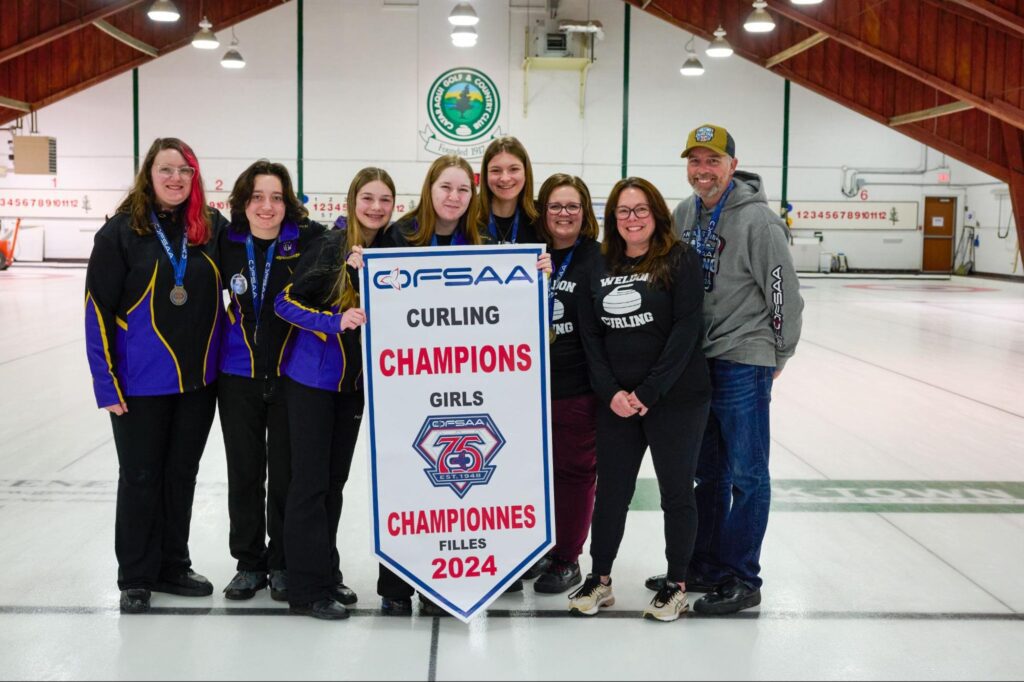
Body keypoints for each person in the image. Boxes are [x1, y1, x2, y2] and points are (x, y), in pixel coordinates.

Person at [645, 123, 804, 615]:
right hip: (699, 363)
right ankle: (705, 565)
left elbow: (783, 292)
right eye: (694, 161)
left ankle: (741, 576)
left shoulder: (758, 221)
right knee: (706, 474)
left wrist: (779, 353)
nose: (702, 170)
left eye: (712, 161)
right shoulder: (684, 214)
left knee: (747, 475)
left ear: (732, 166)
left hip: (743, 357)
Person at [84, 137, 229, 614]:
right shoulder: (120, 234)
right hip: (139, 386)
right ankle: (136, 576)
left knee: (180, 476)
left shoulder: (209, 229)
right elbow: (96, 312)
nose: (175, 179)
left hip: (198, 384)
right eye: (166, 170)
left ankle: (173, 564)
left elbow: (260, 248)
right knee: (141, 476)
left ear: (195, 178)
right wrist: (107, 385)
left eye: (185, 171)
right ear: (149, 174)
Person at [569, 177, 710, 622]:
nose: (632, 219)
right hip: (617, 403)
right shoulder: (600, 262)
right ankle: (601, 579)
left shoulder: (680, 258)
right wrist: (612, 392)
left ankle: (676, 584)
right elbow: (591, 335)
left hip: (676, 398)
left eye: (640, 210)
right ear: (613, 218)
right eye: (623, 211)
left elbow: (687, 329)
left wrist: (648, 392)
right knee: (611, 492)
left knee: (676, 493)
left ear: (656, 214)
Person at [271, 167, 397, 620]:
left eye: (385, 199)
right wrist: (333, 320)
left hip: (353, 388)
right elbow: (284, 301)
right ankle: (307, 588)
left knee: (333, 485)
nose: (376, 207)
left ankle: (326, 571)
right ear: (352, 199)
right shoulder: (331, 244)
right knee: (309, 484)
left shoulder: (389, 251)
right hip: (313, 382)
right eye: (368, 197)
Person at [216, 160, 326, 601]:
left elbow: (352, 244)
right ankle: (248, 562)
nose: (267, 206)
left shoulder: (309, 241)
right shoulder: (225, 242)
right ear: (244, 203)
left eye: (276, 197)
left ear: (288, 202)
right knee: (244, 471)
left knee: (284, 473)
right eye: (257, 197)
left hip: (288, 377)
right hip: (236, 375)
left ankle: (281, 560)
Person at [529, 173, 602, 595]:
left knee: (574, 472)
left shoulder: (597, 256)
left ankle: (567, 558)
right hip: (524, 385)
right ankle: (536, 547)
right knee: (531, 473)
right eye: (555, 206)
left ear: (585, 211)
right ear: (543, 211)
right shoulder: (525, 253)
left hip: (575, 385)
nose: (564, 213)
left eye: (572, 205)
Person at [475, 136, 542, 245]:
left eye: (514, 169)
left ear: (526, 172)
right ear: (485, 175)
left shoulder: (540, 219)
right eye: (496, 170)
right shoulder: (469, 217)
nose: (505, 178)